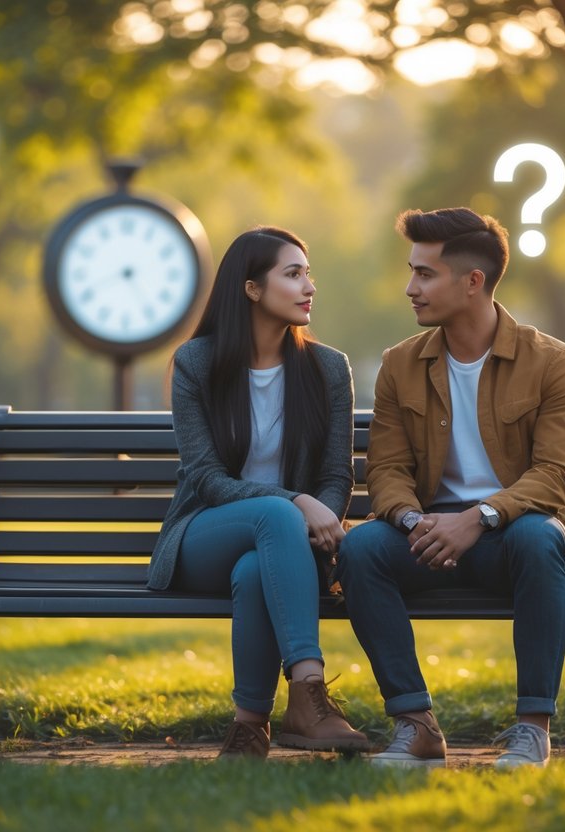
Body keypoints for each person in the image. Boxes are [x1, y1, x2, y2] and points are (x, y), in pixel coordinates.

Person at [335, 207, 565, 769]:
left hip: (513, 536)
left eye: (425, 274)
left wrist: (476, 518)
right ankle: (415, 725)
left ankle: (532, 730)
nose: (411, 288)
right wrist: (411, 521)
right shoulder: (399, 365)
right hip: (428, 538)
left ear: (472, 281)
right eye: (412, 272)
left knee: (540, 538)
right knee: (359, 548)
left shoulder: (551, 361)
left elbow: (554, 475)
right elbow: (386, 470)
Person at [148, 226, 369, 759]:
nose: (309, 285)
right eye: (292, 274)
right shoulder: (197, 364)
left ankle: (249, 728)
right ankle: (309, 694)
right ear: (251, 288)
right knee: (272, 510)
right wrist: (297, 503)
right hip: (204, 534)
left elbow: (337, 476)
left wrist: (319, 518)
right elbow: (206, 478)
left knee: (254, 570)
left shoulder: (329, 369)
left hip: (288, 549)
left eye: (307, 272)